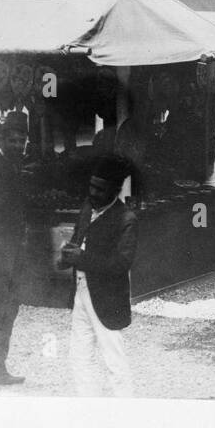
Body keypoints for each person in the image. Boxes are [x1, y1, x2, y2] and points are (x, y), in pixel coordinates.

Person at [59, 155, 138, 397]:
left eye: (99, 189)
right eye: (91, 186)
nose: (92, 193)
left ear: (114, 191)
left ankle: (125, 412)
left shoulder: (126, 219)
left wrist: (80, 258)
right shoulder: (87, 207)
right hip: (81, 292)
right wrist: (66, 255)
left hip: (107, 298)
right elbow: (78, 237)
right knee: (79, 355)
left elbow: (121, 263)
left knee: (114, 359)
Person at [0, 111, 30, 386]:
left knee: (10, 307)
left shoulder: (18, 166)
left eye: (21, 141)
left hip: (16, 246)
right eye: (12, 140)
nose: (17, 145)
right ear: (3, 139)